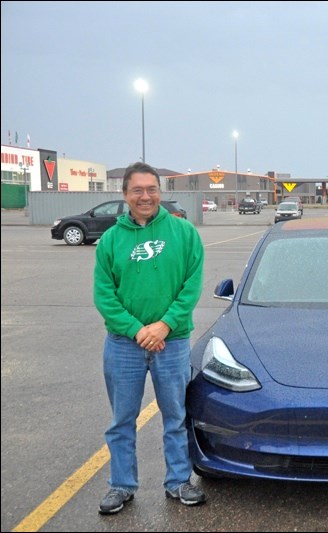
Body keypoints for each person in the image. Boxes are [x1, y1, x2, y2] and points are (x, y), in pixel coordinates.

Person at [94, 162, 206, 515]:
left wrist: (164, 326)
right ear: (125, 194)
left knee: (175, 416)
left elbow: (192, 285)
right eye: (138, 190)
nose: (145, 196)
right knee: (121, 421)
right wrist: (138, 330)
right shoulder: (111, 240)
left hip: (171, 343)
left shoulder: (184, 233)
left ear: (160, 192)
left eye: (151, 189)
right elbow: (104, 295)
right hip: (124, 346)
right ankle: (121, 485)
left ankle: (177, 481)